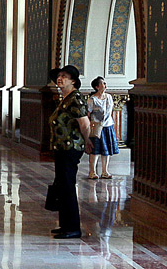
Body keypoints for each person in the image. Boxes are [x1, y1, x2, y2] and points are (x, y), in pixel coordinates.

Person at [48, 65, 93, 239]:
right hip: (61, 148)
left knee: (67, 186)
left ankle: (73, 228)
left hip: (70, 148)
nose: (60, 79)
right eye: (59, 76)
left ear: (73, 81)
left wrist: (88, 141)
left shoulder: (75, 99)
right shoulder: (65, 98)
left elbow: (85, 124)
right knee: (62, 185)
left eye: (64, 76)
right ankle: (65, 225)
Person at [87, 76, 119, 179]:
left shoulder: (109, 97)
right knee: (95, 150)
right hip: (96, 126)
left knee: (106, 150)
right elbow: (88, 114)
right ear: (97, 87)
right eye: (102, 84)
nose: (105, 85)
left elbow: (110, 111)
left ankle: (105, 171)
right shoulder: (92, 99)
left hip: (107, 125)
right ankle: (92, 172)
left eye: (105, 83)